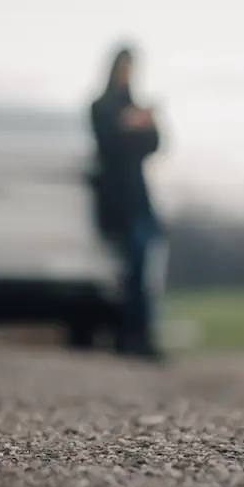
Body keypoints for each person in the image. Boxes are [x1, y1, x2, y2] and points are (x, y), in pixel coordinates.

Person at [89, 45, 166, 361]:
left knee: (143, 271)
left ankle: (139, 335)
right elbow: (109, 143)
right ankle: (127, 336)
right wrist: (130, 125)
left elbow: (155, 143)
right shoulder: (101, 107)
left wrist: (142, 123)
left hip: (140, 201)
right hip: (117, 202)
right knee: (128, 272)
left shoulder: (135, 107)